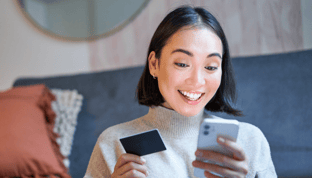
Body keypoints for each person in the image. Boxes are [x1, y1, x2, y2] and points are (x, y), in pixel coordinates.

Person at [84, 5, 276, 178]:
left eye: (210, 67)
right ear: (154, 64)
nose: (197, 81)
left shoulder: (250, 140)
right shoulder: (113, 143)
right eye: (182, 63)